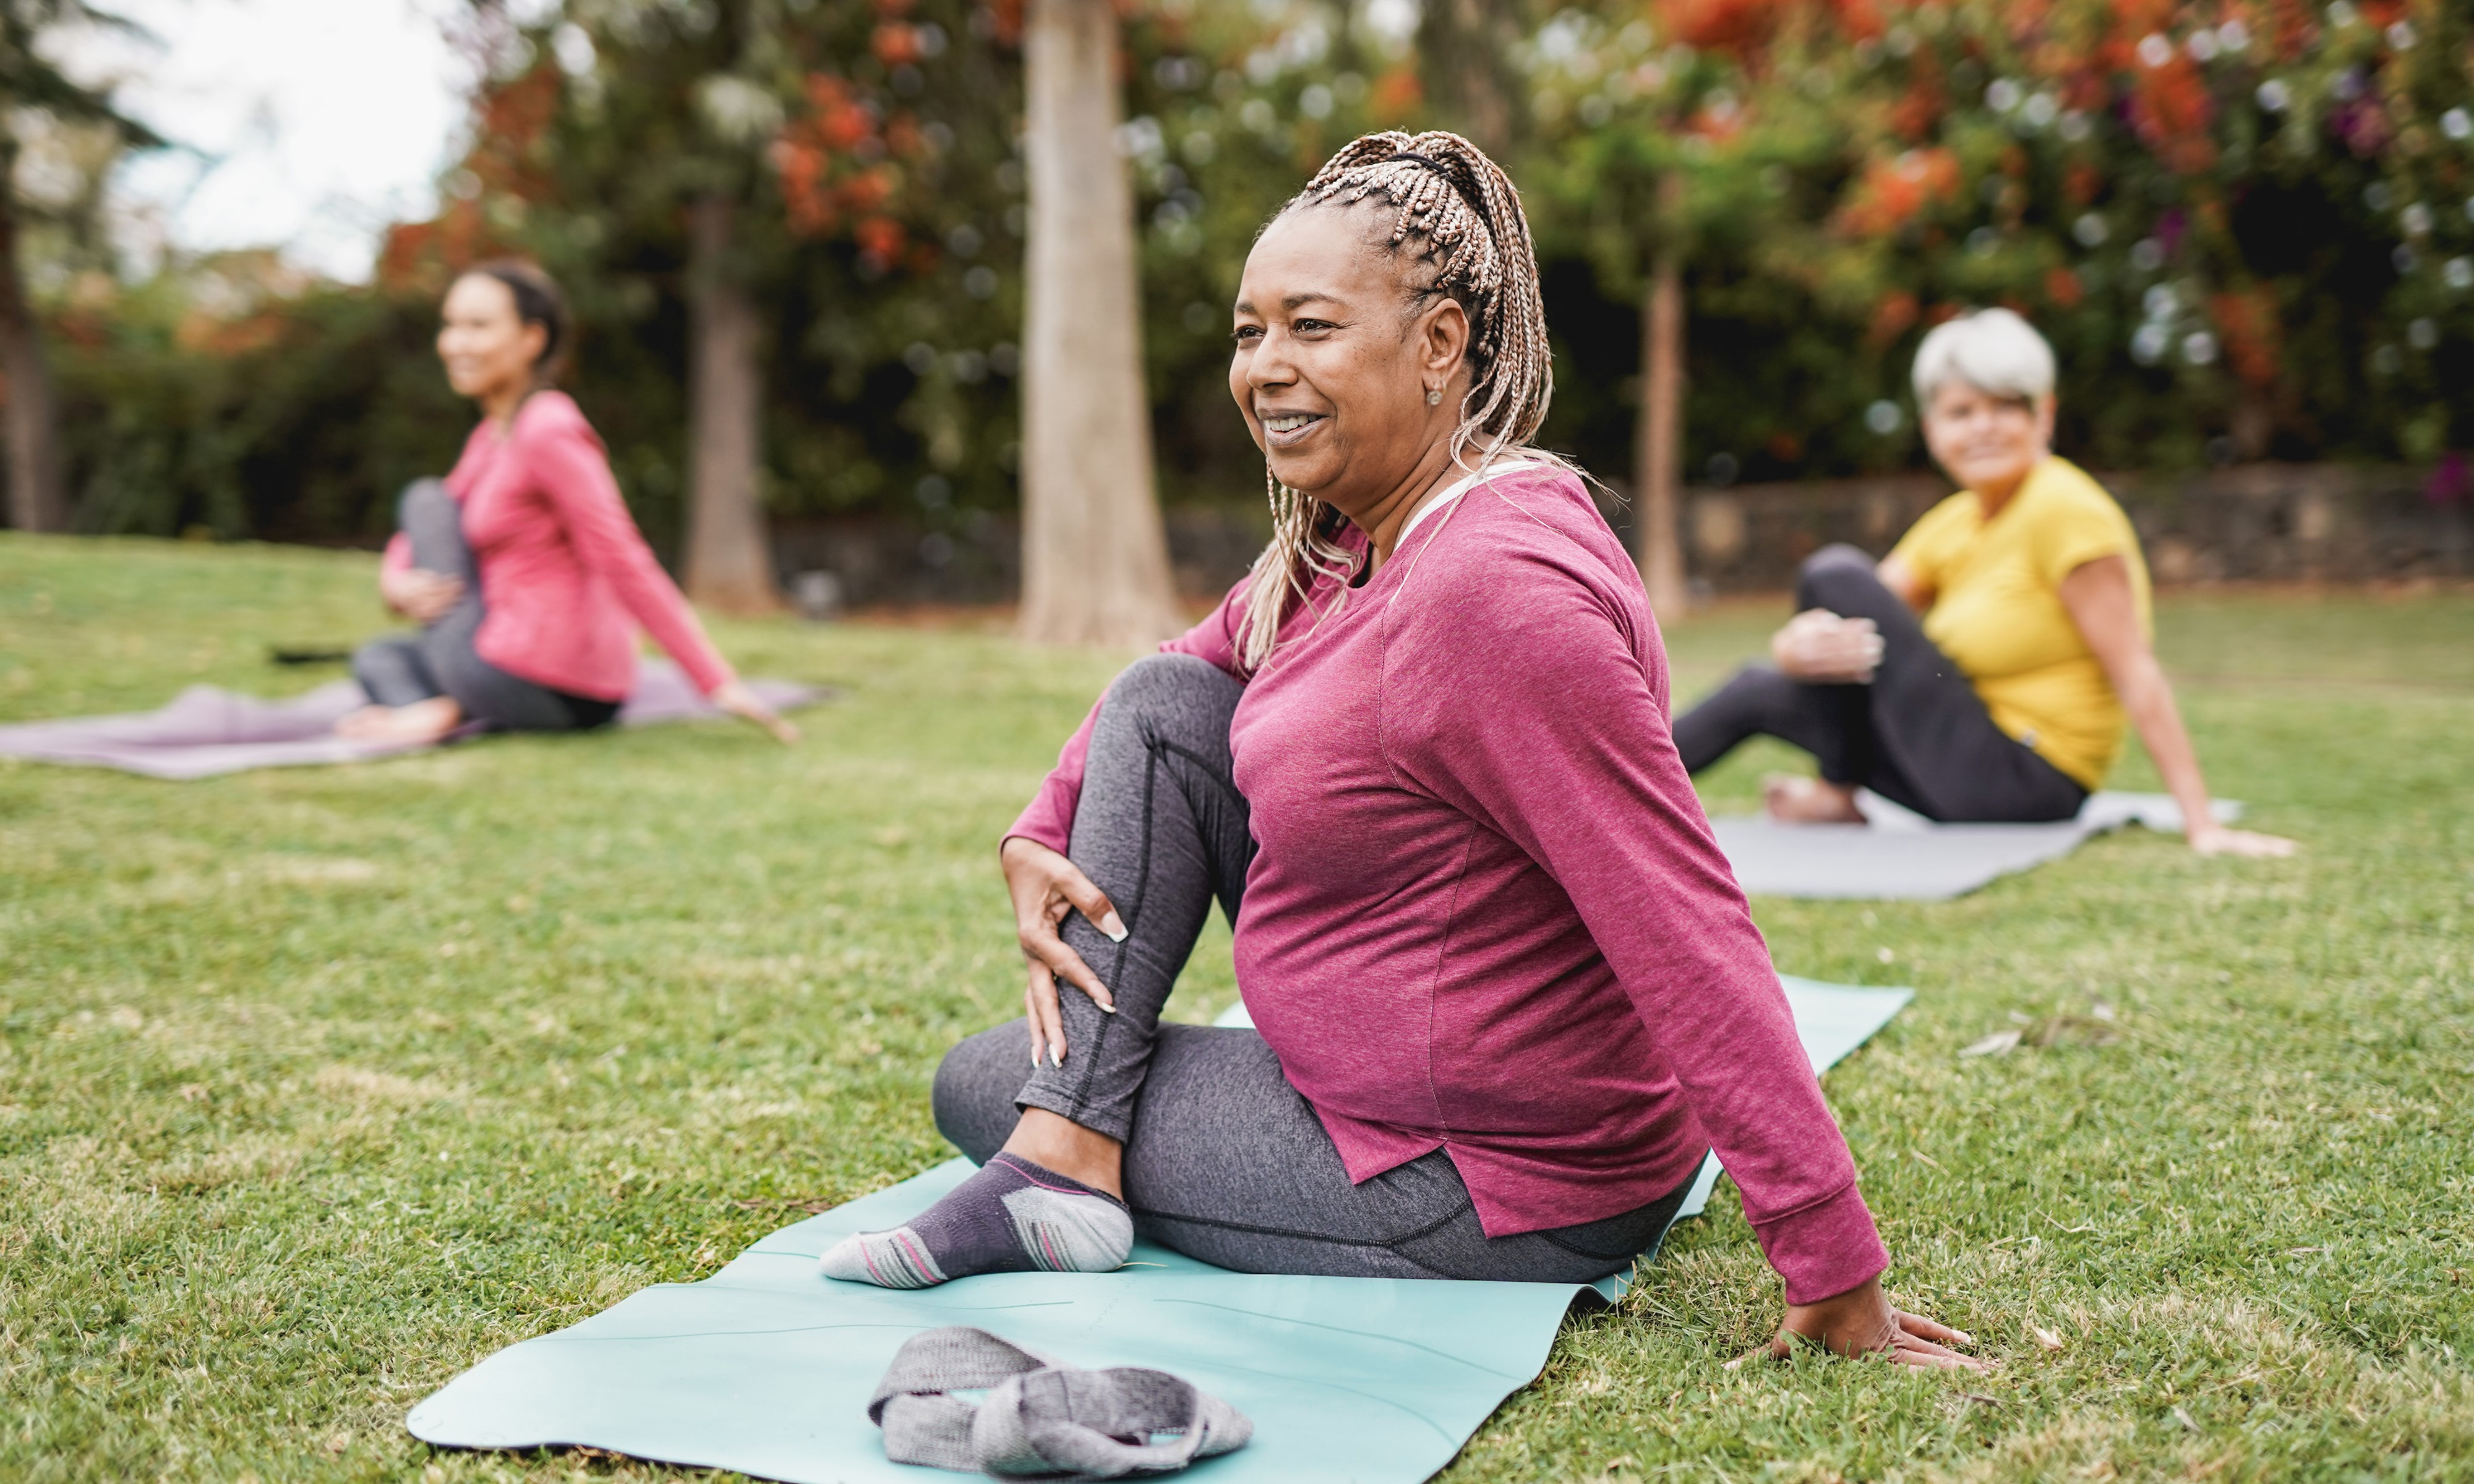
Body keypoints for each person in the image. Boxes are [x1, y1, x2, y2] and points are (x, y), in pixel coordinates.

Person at [821, 132, 1983, 1371]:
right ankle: (1064, 1153)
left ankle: (1060, 1153)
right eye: (1246, 331)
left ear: (1437, 345)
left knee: (979, 1080)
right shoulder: (1351, 539)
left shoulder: (1493, 593)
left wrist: (1832, 1267)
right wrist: (1036, 829)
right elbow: (1178, 672)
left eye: (1310, 328)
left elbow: (1680, 918)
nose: (1265, 367)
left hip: (1482, 1177)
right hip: (1392, 1099)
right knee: (1163, 711)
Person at [1671, 309, 2293, 856]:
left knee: (1831, 569)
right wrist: (1794, 648)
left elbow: (2134, 668)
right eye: (1961, 412)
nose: (1983, 428)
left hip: (2026, 776)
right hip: (1953, 761)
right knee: (1759, 686)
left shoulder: (2064, 508)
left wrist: (2201, 825)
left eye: (2005, 407)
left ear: (2043, 414)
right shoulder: (1958, 521)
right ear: (1932, 429)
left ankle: (1836, 793)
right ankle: (1595, 813)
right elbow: (1855, 614)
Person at [340, 261, 794, 747]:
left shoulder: (547, 428)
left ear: (532, 339)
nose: (455, 343)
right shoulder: (492, 437)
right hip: (516, 670)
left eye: (478, 326)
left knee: (424, 497)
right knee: (378, 657)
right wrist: (396, 583)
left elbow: (622, 556)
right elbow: (426, 529)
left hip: (541, 678)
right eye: (451, 325)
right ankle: (443, 707)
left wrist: (716, 680)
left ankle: (444, 707)